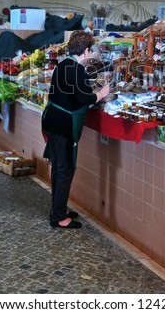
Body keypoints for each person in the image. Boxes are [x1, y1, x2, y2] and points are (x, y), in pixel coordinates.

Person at [41, 31, 110, 229]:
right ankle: (58, 217)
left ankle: (59, 208)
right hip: (63, 125)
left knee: (58, 167)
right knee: (65, 169)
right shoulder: (76, 70)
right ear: (87, 50)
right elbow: (84, 99)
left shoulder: (64, 64)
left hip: (52, 121)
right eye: (91, 50)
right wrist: (101, 93)